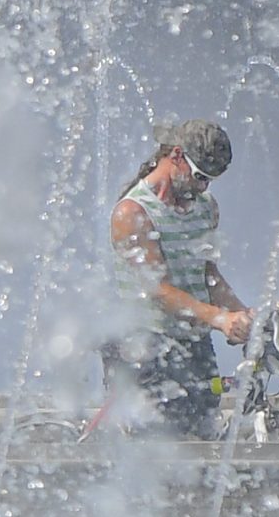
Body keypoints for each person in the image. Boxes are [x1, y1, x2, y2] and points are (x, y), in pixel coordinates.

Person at [106, 118, 254, 437]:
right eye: (200, 177)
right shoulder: (132, 213)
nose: (203, 188)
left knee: (203, 433)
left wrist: (242, 313)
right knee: (164, 441)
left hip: (194, 342)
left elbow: (208, 275)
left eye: (210, 181)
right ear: (175, 156)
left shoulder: (206, 208)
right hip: (145, 345)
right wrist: (219, 319)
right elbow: (157, 290)